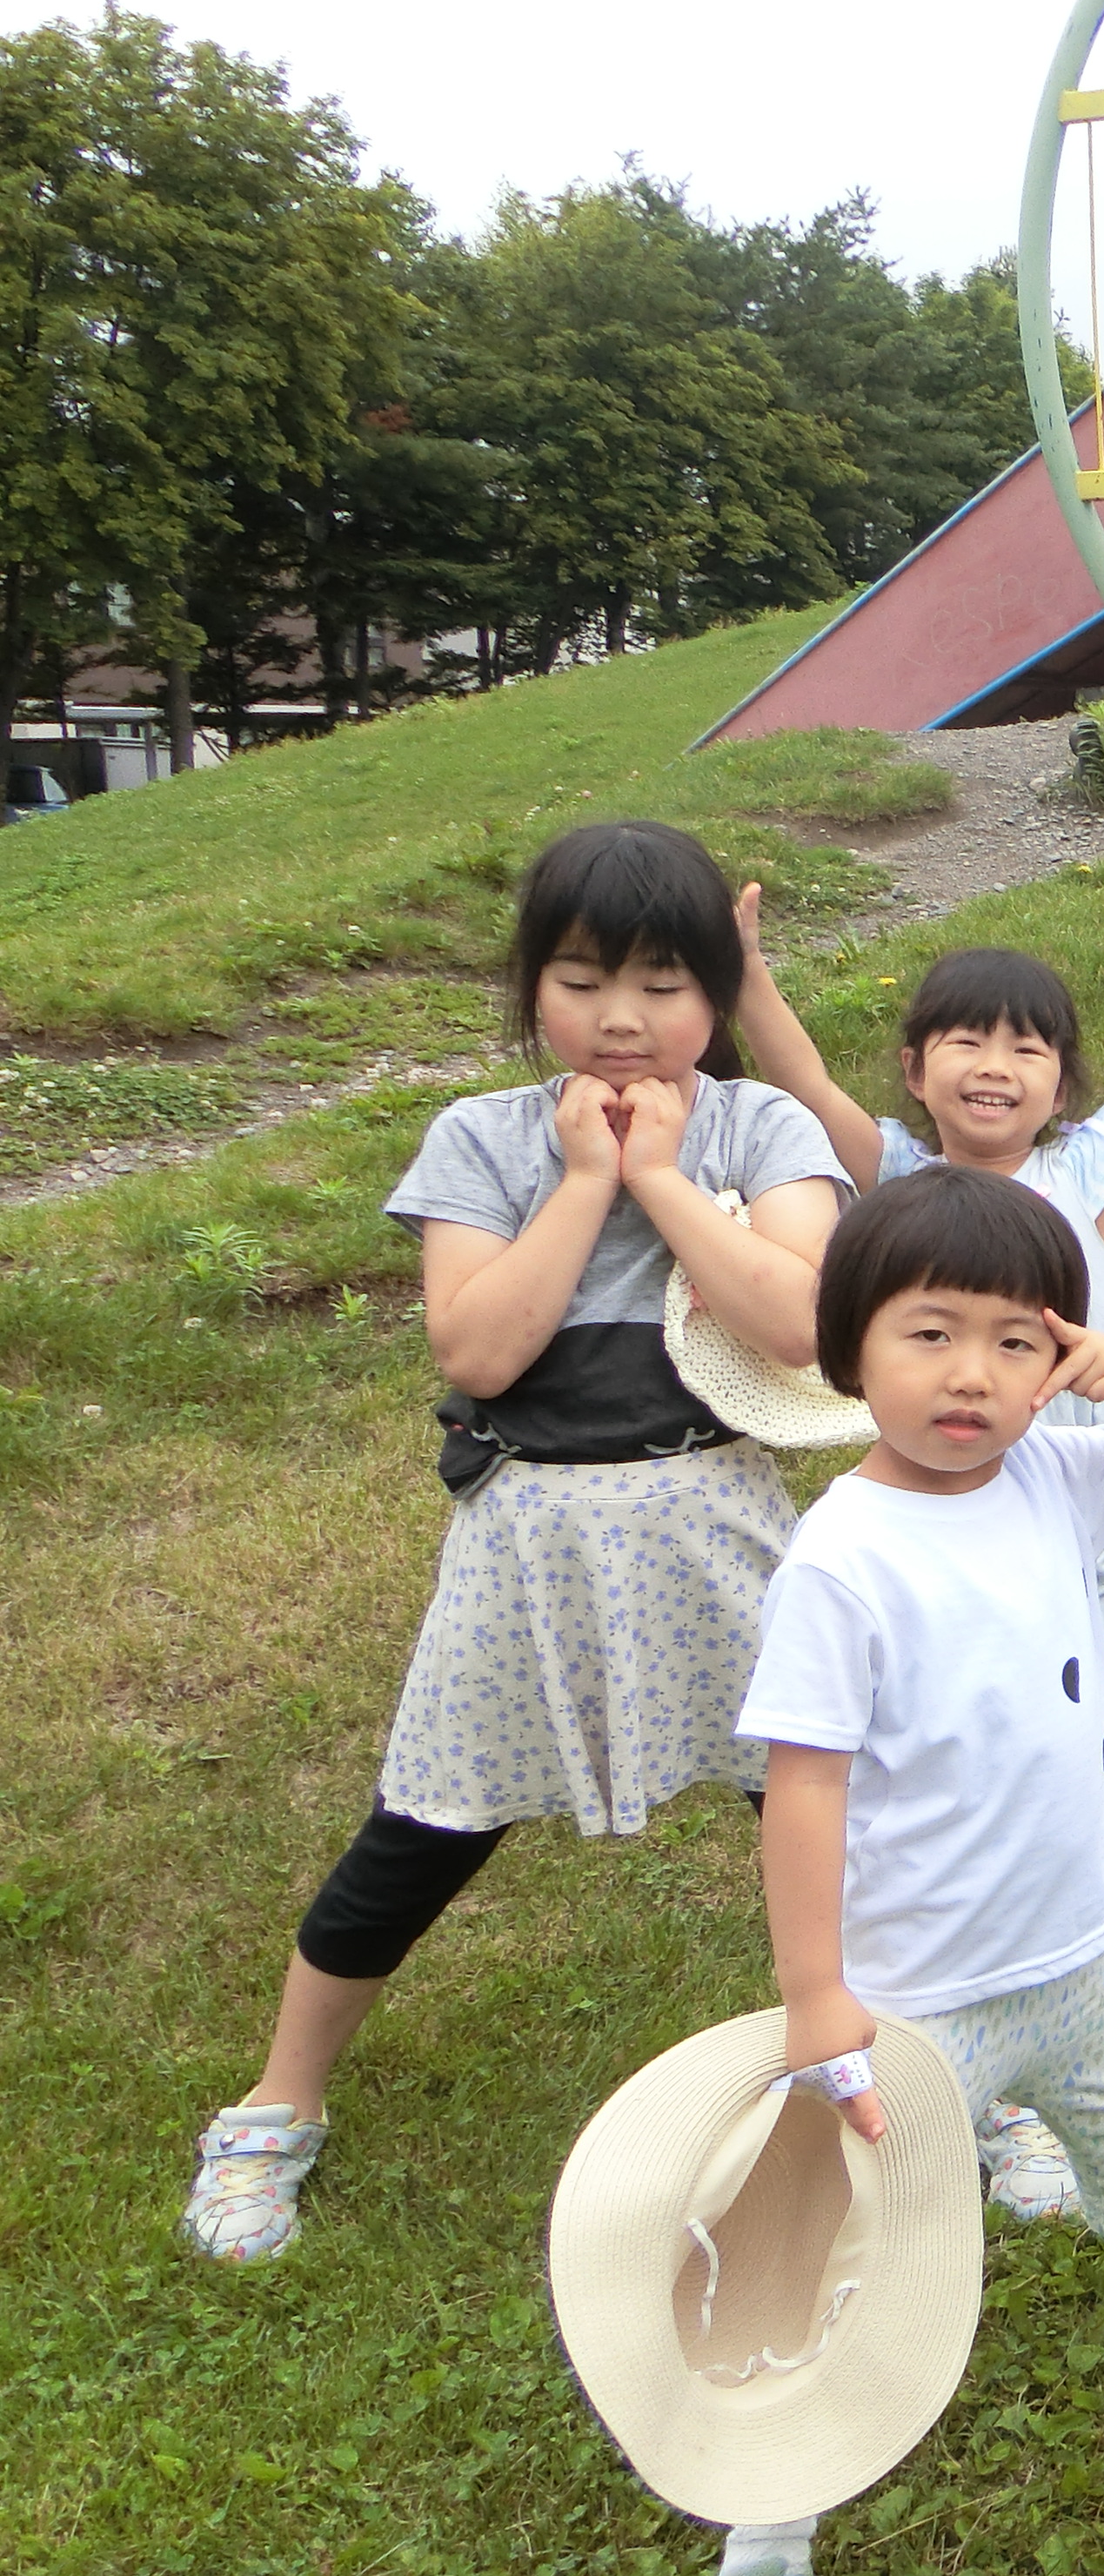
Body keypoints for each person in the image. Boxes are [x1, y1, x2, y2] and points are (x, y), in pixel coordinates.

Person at [183, 822, 848, 2265]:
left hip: (719, 1526)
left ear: (718, 990)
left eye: (665, 984)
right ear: (531, 984)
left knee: (826, 1812)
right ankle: (277, 2102)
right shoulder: (481, 1138)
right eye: (583, 979)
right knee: (425, 1825)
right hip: (525, 1543)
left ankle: (932, 2067)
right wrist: (586, 1181)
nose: (623, 1018)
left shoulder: (760, 1131)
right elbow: (478, 1351)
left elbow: (800, 1326)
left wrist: (664, 1179)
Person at [714, 1165, 1104, 2576]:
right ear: (849, 1350)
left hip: (1074, 1940)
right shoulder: (841, 1557)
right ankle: (765, 2541)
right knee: (841, 2249)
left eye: (1016, 1341)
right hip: (918, 1994)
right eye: (930, 1334)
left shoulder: (1057, 1474)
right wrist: (816, 1993)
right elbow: (804, 1790)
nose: (972, 1374)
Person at [733, 919, 1104, 1963]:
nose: (994, 1067)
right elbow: (805, 1082)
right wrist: (746, 972)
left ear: (1062, 1088)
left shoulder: (1092, 1165)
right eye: (965, 1042)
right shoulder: (895, 1173)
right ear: (914, 1071)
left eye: (1027, 1048)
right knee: (1021, 1704)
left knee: (1064, 1702)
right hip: (958, 1502)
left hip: (1096, 1492)